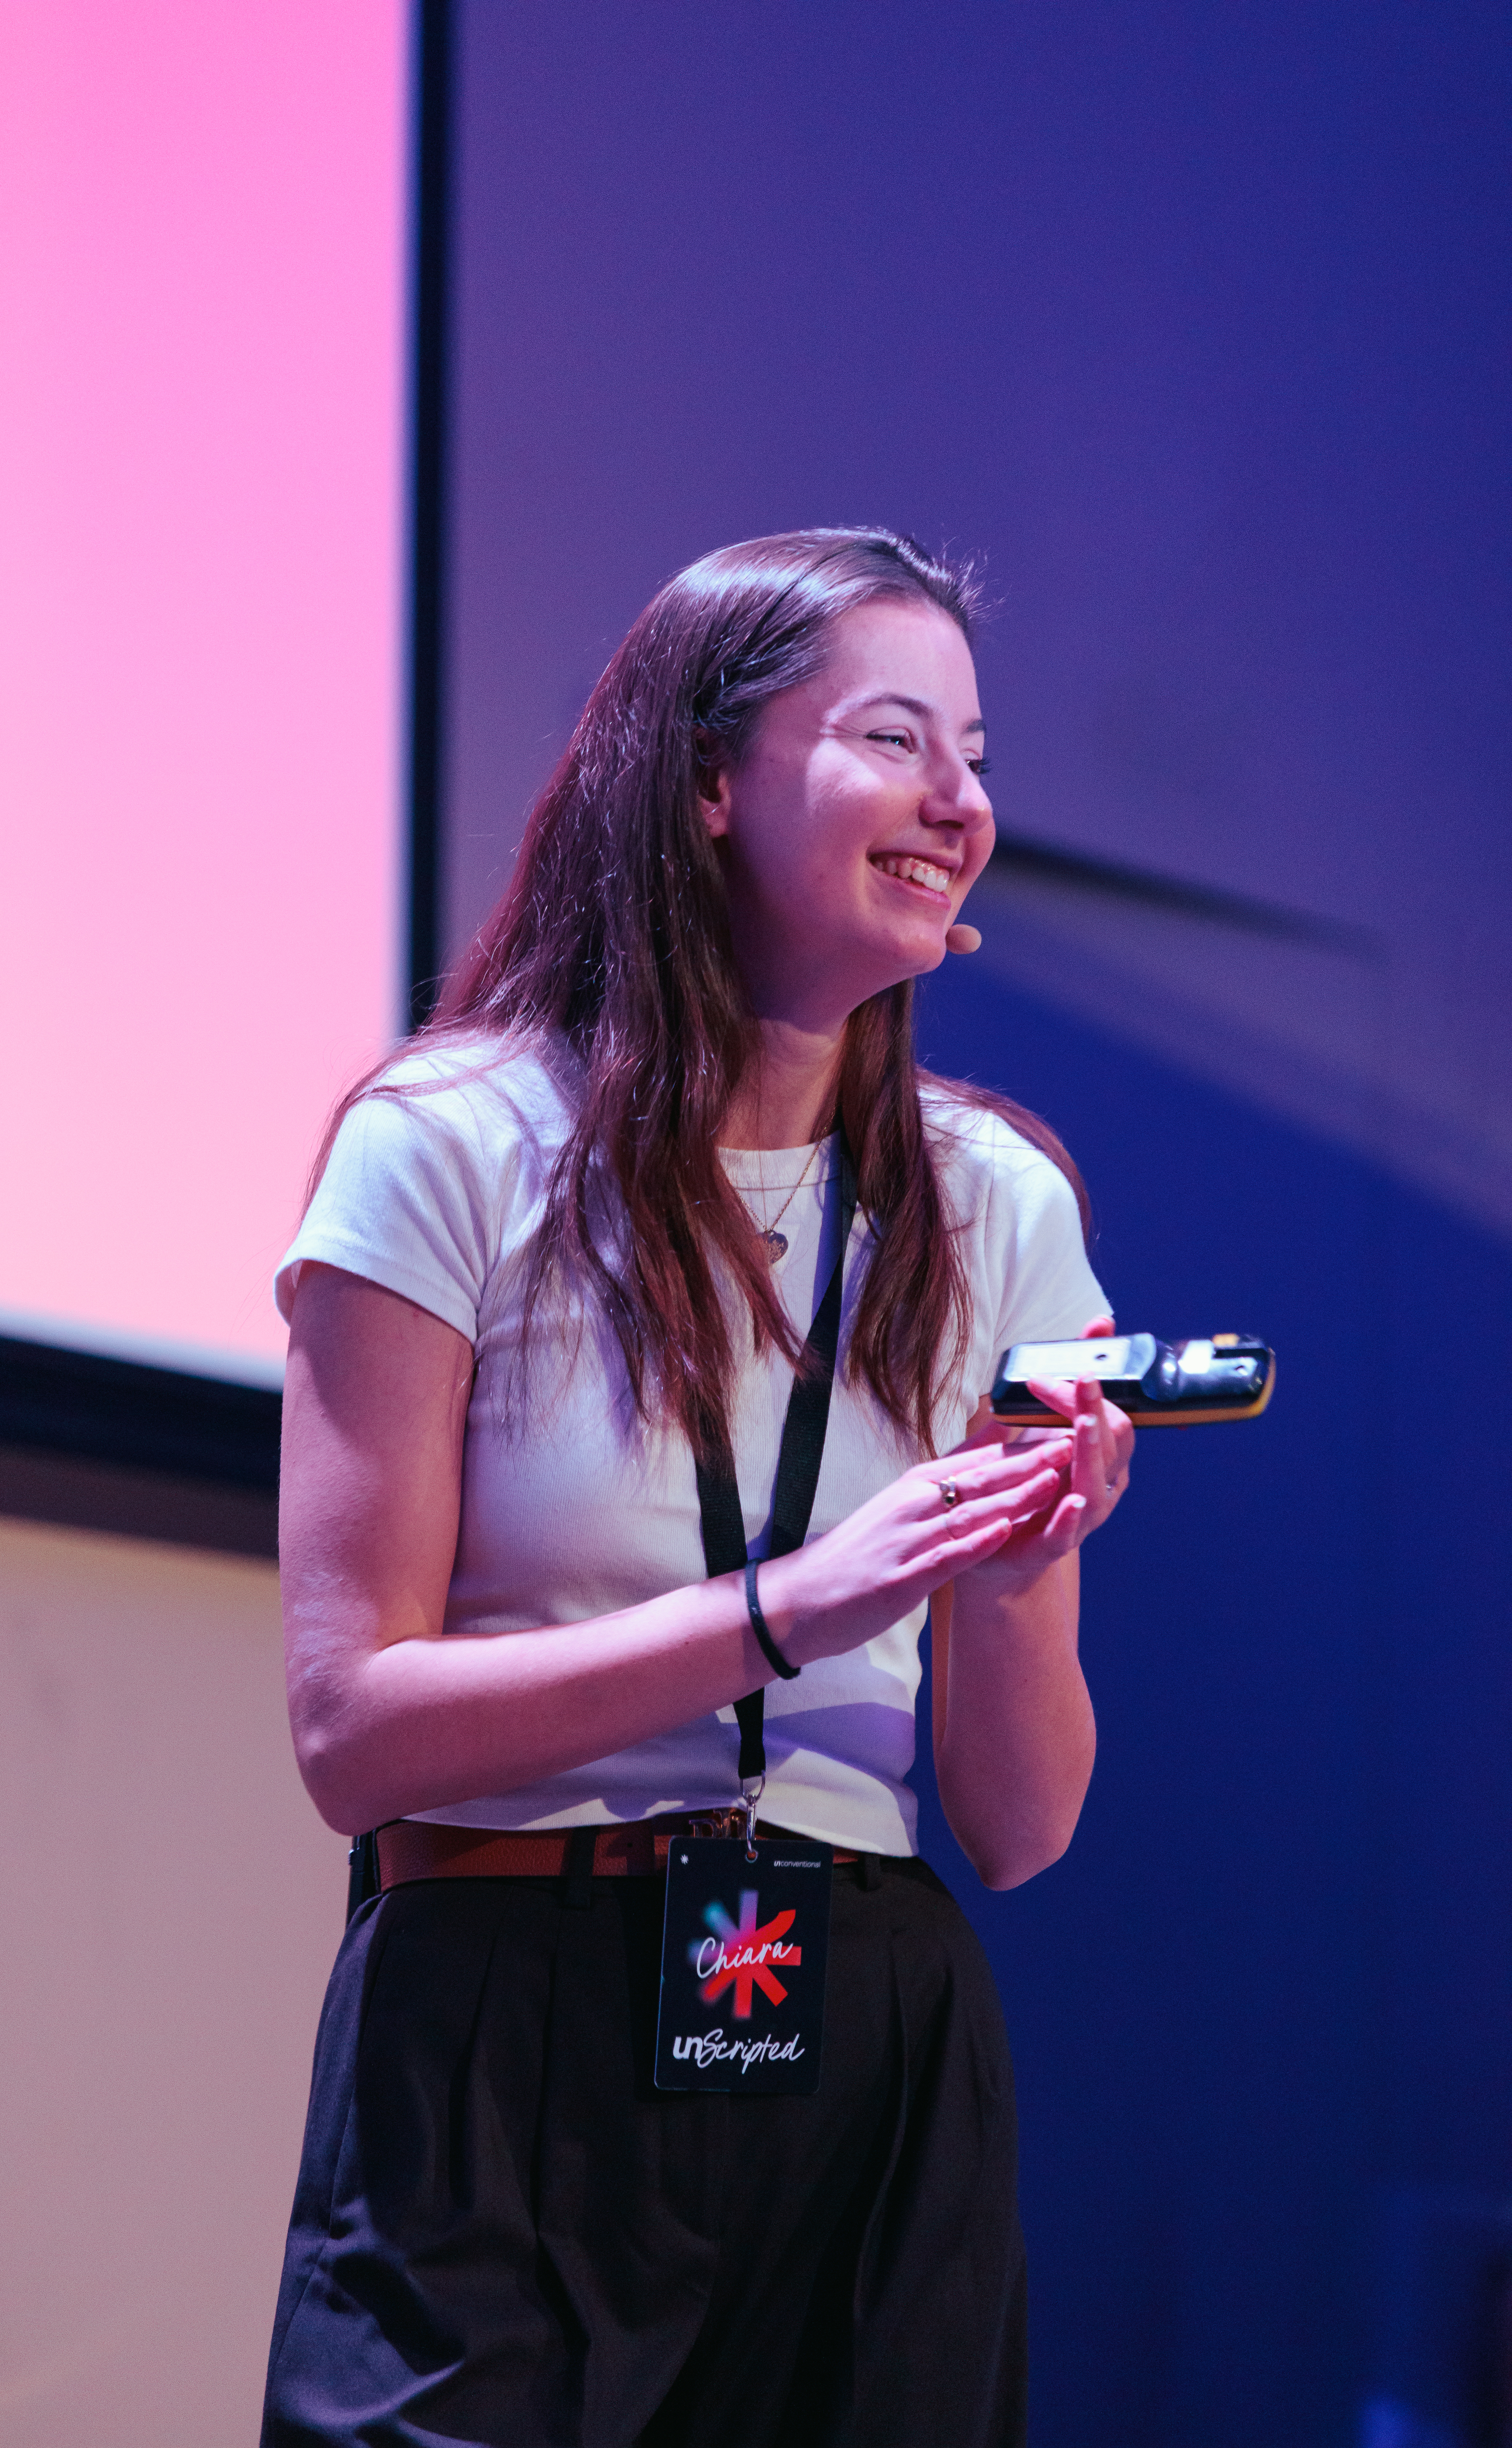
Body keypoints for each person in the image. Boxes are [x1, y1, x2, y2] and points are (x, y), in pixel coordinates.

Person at [260, 528, 1132, 2448]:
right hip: (504, 2031)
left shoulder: (999, 1208)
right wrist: (784, 1611)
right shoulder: (452, 1147)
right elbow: (351, 1732)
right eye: (896, 739)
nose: (960, 801)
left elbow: (1023, 1821)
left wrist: (1006, 1566)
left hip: (871, 2045)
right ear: (712, 784)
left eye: (974, 752)